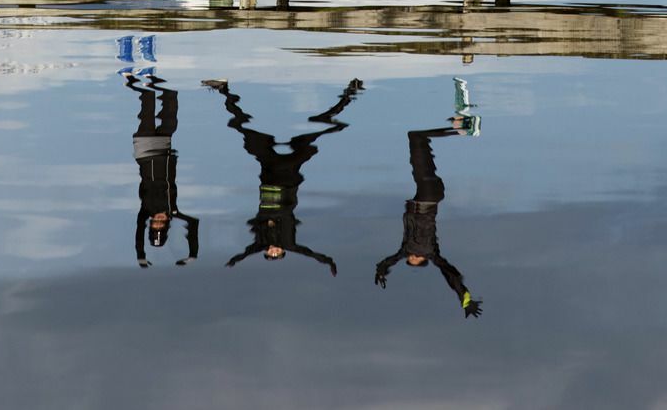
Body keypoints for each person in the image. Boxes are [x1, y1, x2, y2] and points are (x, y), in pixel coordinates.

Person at [203, 77, 362, 270]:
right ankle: (350, 94)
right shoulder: (289, 243)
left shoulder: (259, 242)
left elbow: (247, 251)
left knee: (241, 128)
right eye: (277, 254)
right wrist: (326, 260)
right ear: (283, 252)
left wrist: (235, 260)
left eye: (270, 254)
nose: (273, 251)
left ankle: (223, 89)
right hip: (288, 173)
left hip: (269, 170)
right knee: (320, 129)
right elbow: (307, 252)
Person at [373, 123, 482, 317]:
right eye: (415, 259)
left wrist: (381, 271)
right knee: (416, 138)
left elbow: (389, 260)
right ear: (423, 259)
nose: (411, 257)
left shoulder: (405, 250)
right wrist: (464, 298)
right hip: (428, 198)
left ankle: (458, 130)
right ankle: (460, 129)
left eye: (410, 260)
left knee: (417, 142)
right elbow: (451, 275)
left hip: (425, 195)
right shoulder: (431, 253)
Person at [126, 72, 200, 266]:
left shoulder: (145, 210)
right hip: (165, 147)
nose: (158, 220)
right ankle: (166, 72)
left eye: (154, 224)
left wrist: (141, 255)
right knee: (171, 108)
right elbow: (194, 224)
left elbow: (138, 232)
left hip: (145, 150)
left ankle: (134, 78)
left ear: (150, 224)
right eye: (161, 224)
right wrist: (192, 254)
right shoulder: (173, 210)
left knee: (148, 103)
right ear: (167, 225)